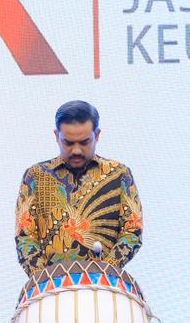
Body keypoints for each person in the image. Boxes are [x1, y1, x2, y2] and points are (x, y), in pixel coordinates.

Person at [14, 100, 143, 275]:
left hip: (103, 284)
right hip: (51, 286)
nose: (76, 150)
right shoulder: (36, 175)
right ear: (56, 136)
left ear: (97, 135)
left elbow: (132, 232)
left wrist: (103, 273)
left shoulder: (119, 174)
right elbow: (25, 237)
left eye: (84, 142)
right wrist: (48, 279)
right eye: (68, 142)